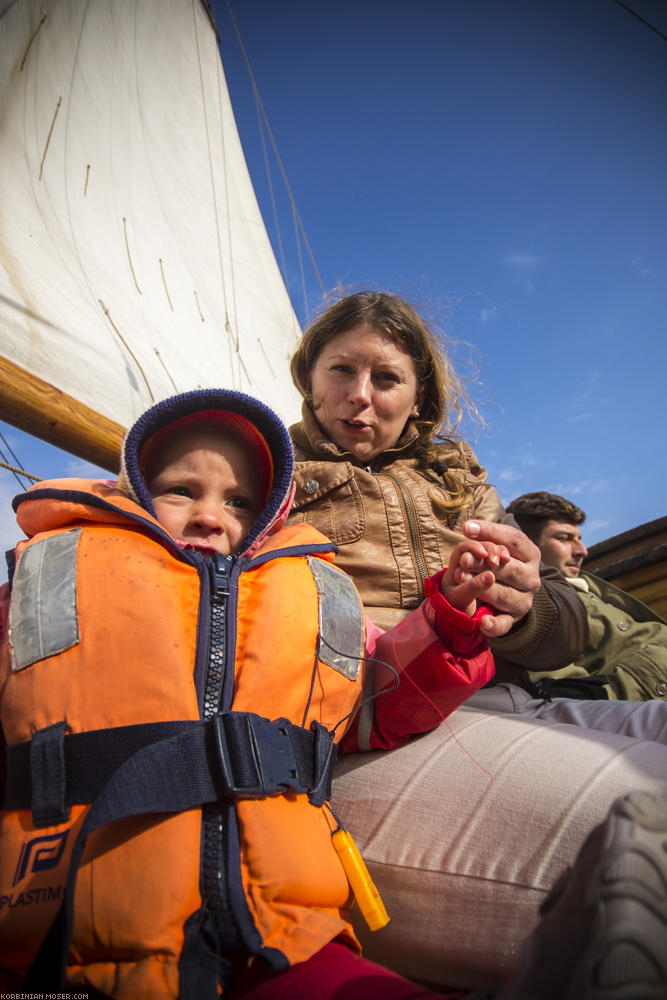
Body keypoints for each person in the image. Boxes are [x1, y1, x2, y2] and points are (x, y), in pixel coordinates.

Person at [0, 387, 499, 998]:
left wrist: (450, 622)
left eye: (239, 500)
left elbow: (381, 702)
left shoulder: (315, 596)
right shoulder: (43, 582)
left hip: (286, 936)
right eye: (181, 490)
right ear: (135, 491)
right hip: (63, 948)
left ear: (269, 516)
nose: (212, 515)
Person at [286, 290, 667, 992]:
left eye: (386, 378)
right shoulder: (263, 474)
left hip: (507, 700)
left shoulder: (458, 480)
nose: (359, 397)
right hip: (365, 739)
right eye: (340, 371)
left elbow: (565, 635)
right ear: (308, 378)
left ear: (419, 393)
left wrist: (523, 608)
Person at [504, 491, 667, 703]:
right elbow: (568, 698)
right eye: (565, 538)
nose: (582, 551)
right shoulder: (523, 605)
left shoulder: (594, 588)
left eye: (579, 539)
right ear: (525, 542)